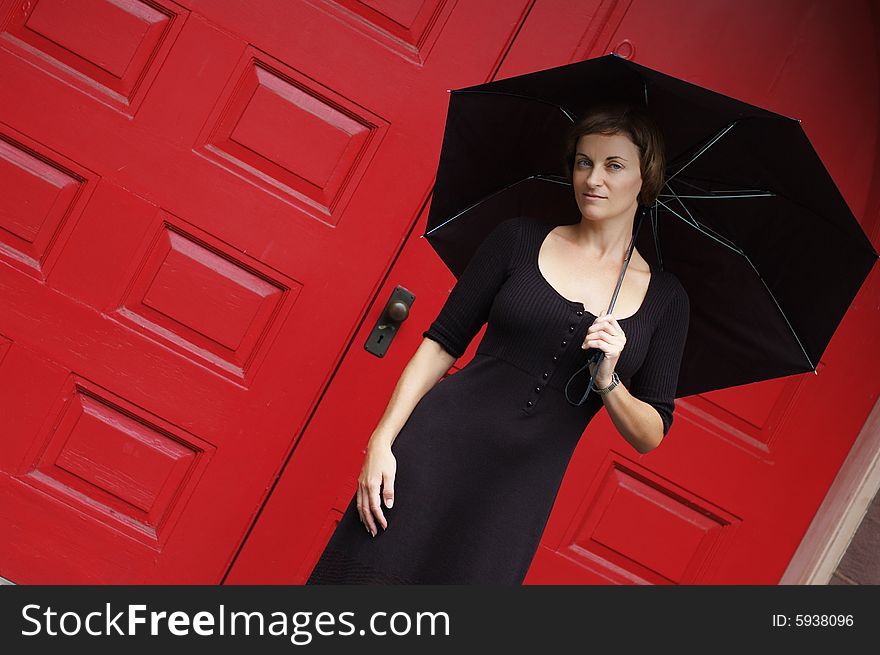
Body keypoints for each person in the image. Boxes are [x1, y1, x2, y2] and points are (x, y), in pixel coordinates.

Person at [306, 103, 690, 585]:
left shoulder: (666, 299)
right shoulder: (517, 239)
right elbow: (441, 344)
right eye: (584, 161)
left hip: (518, 493)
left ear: (645, 178)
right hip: (434, 449)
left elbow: (650, 435)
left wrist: (608, 381)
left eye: (614, 165)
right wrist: (381, 441)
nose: (593, 178)